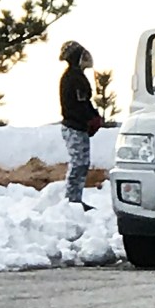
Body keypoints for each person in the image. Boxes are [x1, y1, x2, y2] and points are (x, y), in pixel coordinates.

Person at [58, 41, 103, 212]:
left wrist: (93, 117)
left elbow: (85, 103)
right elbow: (77, 106)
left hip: (78, 126)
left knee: (82, 163)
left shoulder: (75, 77)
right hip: (74, 127)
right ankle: (72, 201)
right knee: (78, 163)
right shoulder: (72, 78)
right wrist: (89, 119)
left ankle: (75, 199)